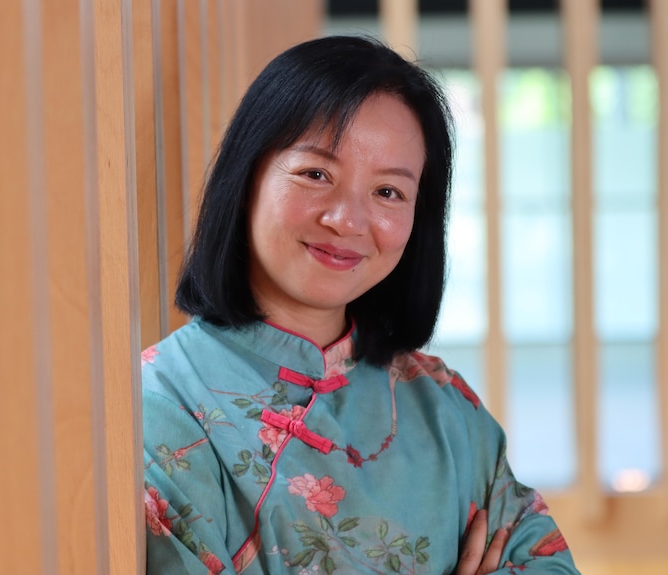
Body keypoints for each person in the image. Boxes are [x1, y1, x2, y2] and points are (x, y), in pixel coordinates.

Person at [142, 35, 580, 575]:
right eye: (315, 174)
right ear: (246, 176)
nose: (348, 221)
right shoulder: (161, 409)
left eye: (389, 192)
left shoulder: (442, 405)